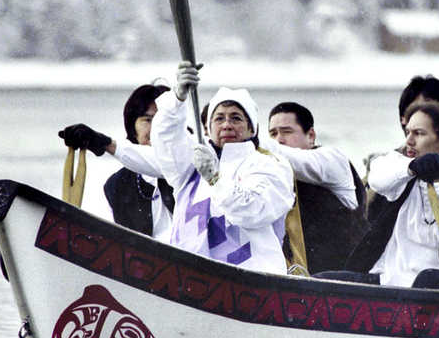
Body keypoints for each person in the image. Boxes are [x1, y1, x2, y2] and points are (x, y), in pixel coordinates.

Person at [330, 102, 439, 331]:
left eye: (419, 133)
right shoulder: (403, 173)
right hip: (390, 284)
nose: (409, 141)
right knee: (324, 281)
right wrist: (412, 167)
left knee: (429, 277)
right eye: (408, 132)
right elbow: (378, 175)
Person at [150, 61, 295, 273]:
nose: (226, 124)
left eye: (236, 118)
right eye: (219, 118)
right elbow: (166, 140)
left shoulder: (270, 165)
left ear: (251, 128)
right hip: (188, 276)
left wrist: (215, 180)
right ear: (208, 128)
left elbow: (252, 211)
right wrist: (178, 98)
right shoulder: (191, 169)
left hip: (253, 280)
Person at [57, 83, 174, 239]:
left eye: (163, 120)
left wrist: (103, 142)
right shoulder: (117, 186)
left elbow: (164, 162)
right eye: (148, 120)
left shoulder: (191, 164)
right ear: (133, 129)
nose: (156, 129)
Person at [265, 101, 368, 272]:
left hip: (347, 277)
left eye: (286, 132)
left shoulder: (332, 160)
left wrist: (248, 140)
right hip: (299, 278)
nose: (279, 140)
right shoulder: (274, 173)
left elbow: (294, 160)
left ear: (311, 135)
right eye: (273, 134)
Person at [364, 74, 439, 219]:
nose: (424, 117)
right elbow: (378, 178)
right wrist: (412, 167)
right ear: (404, 119)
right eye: (417, 111)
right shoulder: (391, 163)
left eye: (434, 113)